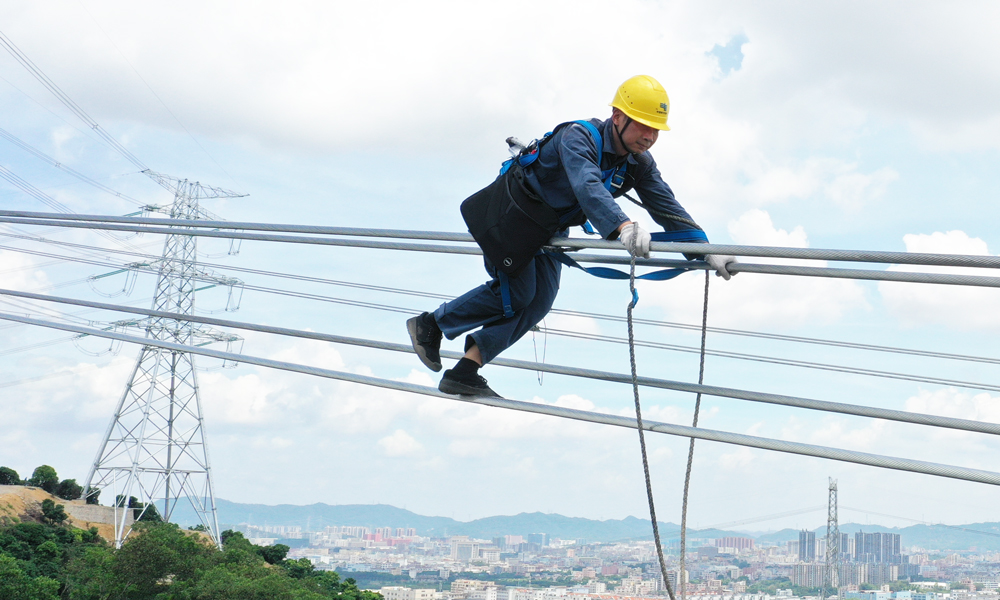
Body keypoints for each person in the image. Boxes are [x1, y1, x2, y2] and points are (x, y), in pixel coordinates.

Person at [407, 75, 736, 397]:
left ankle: (465, 371)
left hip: (549, 230)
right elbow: (587, 185)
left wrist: (706, 250)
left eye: (656, 129)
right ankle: (431, 324)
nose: (649, 136)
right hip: (510, 216)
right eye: (642, 125)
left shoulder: (639, 164)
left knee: (539, 302)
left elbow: (667, 206)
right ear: (617, 117)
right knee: (520, 294)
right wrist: (623, 226)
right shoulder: (579, 136)